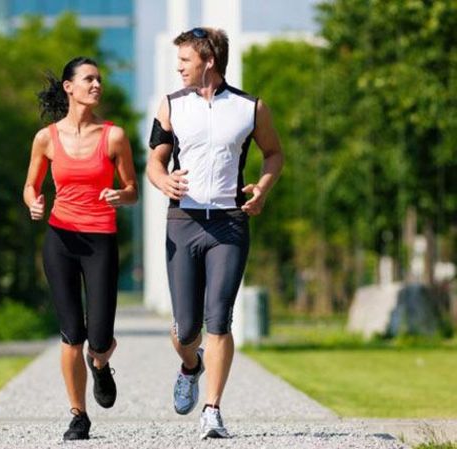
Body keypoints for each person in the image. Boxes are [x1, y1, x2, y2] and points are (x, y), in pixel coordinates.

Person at [146, 27, 283, 439]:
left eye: (185, 60)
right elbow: (155, 161)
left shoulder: (250, 107)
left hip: (229, 223)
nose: (179, 67)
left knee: (219, 318)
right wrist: (162, 181)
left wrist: (261, 188)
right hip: (183, 223)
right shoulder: (170, 105)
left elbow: (274, 153)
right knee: (186, 329)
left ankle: (213, 410)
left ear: (208, 59)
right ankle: (191, 364)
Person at [23, 56, 138, 441]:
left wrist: (121, 195)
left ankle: (101, 364)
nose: (97, 85)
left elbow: (133, 190)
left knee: (99, 338)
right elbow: (31, 185)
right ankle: (78, 415)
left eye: (99, 80)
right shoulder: (46, 138)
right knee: (72, 332)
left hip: (100, 241)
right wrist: (34, 201)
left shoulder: (114, 136)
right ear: (69, 87)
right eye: (89, 79)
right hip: (60, 239)